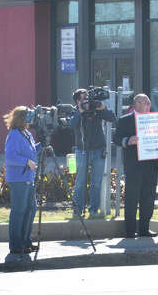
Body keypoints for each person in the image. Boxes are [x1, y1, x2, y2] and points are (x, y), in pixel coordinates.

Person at [113, 93, 158, 238]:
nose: (147, 105)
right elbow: (116, 139)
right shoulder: (125, 120)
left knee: (148, 197)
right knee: (132, 198)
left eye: (148, 103)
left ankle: (144, 229)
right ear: (136, 105)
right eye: (144, 102)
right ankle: (130, 230)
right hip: (134, 165)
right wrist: (128, 140)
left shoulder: (155, 120)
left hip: (151, 164)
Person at [68, 88, 114, 219]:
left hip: (99, 150)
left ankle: (93, 210)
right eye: (84, 98)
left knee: (96, 183)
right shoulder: (75, 112)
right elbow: (71, 125)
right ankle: (78, 210)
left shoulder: (96, 111)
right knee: (80, 182)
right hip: (82, 151)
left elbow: (112, 118)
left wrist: (102, 107)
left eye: (87, 97)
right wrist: (80, 111)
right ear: (77, 101)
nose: (87, 100)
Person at [2, 105, 39, 258]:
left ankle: (26, 241)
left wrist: (43, 144)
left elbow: (31, 150)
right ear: (21, 119)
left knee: (31, 209)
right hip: (18, 179)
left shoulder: (27, 134)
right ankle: (16, 245)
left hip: (28, 178)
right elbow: (10, 157)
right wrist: (26, 162)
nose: (31, 120)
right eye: (28, 117)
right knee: (19, 211)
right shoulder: (14, 135)